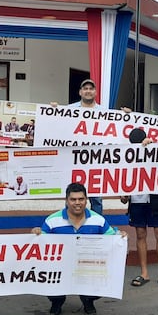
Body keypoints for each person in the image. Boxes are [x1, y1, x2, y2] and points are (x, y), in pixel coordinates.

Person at [32, 182, 126, 315]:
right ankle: (57, 301)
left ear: (86, 200)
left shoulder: (98, 220)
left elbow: (111, 237)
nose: (77, 203)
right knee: (49, 281)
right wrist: (36, 234)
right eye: (73, 199)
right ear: (66, 201)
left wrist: (119, 235)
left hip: (86, 266)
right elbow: (41, 242)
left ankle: (88, 300)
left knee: (100, 283)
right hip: (60, 266)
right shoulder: (52, 221)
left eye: (81, 199)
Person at [121, 128, 158, 290]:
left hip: (156, 199)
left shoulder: (156, 151)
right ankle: (144, 272)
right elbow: (121, 177)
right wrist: (123, 193)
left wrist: (151, 145)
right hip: (137, 200)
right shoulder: (127, 156)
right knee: (140, 234)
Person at [67, 79, 106, 215]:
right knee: (72, 194)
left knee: (97, 199)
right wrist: (53, 110)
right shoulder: (68, 110)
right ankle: (70, 225)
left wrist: (127, 116)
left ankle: (97, 225)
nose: (88, 91)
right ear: (80, 92)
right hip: (74, 159)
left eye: (91, 88)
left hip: (96, 159)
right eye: (85, 88)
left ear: (95, 92)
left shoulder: (105, 112)